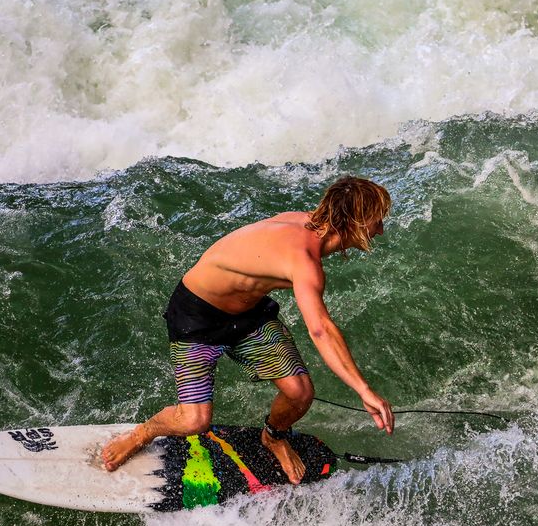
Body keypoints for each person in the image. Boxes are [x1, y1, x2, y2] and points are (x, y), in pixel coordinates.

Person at [100, 176, 395, 483]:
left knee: (300, 393)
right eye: (377, 222)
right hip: (196, 318)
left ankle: (274, 437)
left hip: (248, 315)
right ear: (356, 223)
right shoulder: (304, 258)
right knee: (193, 421)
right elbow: (320, 329)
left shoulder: (312, 231)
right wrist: (364, 390)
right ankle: (141, 433)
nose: (380, 230)